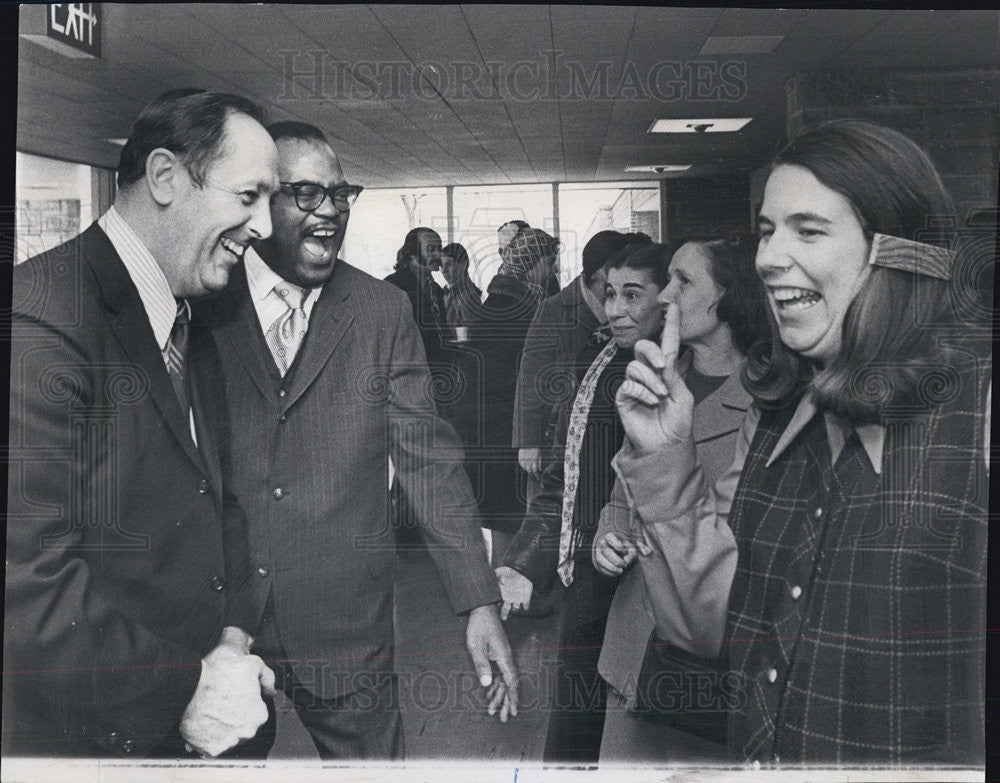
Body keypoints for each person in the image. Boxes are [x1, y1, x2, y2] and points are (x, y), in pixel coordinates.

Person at [614, 119, 989, 765]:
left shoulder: (979, 411)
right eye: (766, 231)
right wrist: (665, 463)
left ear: (900, 251)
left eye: (808, 230)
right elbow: (714, 632)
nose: (766, 258)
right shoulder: (776, 413)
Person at [197, 121, 517, 761]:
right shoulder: (204, 301)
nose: (331, 214)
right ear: (260, 204)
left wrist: (477, 600)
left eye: (341, 195)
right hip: (219, 624)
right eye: (308, 195)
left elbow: (428, 461)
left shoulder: (380, 312)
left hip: (344, 624)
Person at [4, 89, 279, 758]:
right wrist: (193, 687)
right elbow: (29, 592)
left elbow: (221, 497)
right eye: (249, 197)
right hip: (94, 738)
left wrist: (235, 637)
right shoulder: (42, 322)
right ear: (164, 178)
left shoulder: (195, 312)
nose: (266, 225)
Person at [592, 237, 769, 763]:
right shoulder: (658, 381)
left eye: (683, 281)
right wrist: (608, 532)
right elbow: (622, 487)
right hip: (631, 646)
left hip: (702, 664)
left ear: (729, 295)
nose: (665, 294)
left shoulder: (769, 400)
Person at [498, 242, 671, 762]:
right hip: (594, 559)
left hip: (638, 569)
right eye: (610, 292)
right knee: (578, 695)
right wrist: (527, 559)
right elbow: (569, 471)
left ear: (670, 300)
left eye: (632, 295)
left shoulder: (665, 371)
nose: (615, 307)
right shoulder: (603, 357)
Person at [512, 231, 650, 494]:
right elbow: (531, 378)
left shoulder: (620, 307)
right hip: (554, 439)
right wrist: (528, 442)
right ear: (599, 275)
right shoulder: (554, 309)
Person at [461, 227, 561, 564]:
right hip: (503, 428)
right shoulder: (513, 306)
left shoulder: (509, 298)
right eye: (549, 261)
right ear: (532, 264)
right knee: (509, 513)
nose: (553, 270)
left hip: (498, 424)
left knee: (509, 511)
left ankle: (506, 583)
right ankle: (504, 586)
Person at [384, 227, 449, 365]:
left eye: (440, 248)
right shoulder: (394, 286)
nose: (439, 254)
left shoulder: (436, 290)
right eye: (431, 249)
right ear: (412, 254)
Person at [439, 242, 481, 339]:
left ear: (463, 264)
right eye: (441, 265)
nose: (444, 270)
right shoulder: (445, 292)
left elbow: (467, 339)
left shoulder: (468, 297)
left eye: (449, 264)